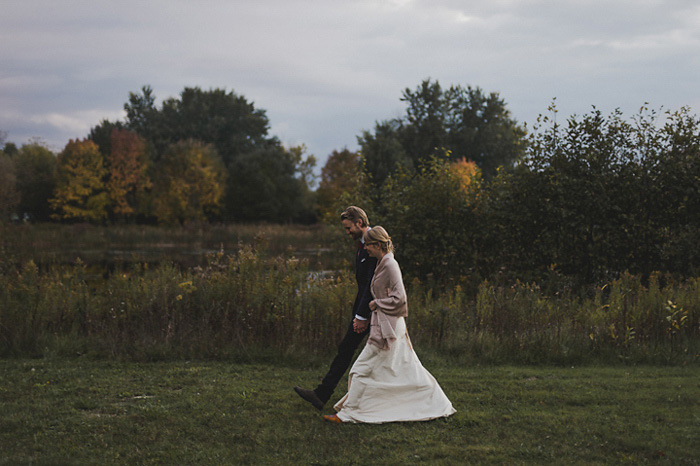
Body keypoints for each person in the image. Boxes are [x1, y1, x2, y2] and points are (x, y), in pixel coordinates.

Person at [322, 226, 456, 424]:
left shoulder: (390, 265)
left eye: (368, 245)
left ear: (377, 244)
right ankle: (432, 402)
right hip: (386, 325)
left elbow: (400, 299)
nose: (365, 249)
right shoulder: (381, 263)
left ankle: (347, 415)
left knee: (360, 369)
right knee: (403, 368)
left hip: (389, 327)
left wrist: (376, 303)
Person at [294, 206, 377, 410]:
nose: (346, 232)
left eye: (348, 228)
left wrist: (361, 315)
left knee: (353, 351)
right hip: (364, 309)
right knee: (352, 351)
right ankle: (323, 394)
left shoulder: (374, 245)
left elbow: (371, 284)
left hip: (371, 311)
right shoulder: (363, 244)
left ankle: (323, 394)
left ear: (359, 222)